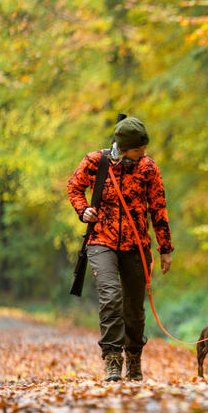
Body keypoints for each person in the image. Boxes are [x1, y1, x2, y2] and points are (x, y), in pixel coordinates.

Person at [67, 116, 173, 382]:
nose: (143, 154)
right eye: (138, 149)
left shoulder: (148, 168)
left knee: (134, 309)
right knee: (111, 297)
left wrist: (165, 248)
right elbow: (74, 187)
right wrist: (83, 210)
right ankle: (112, 358)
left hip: (137, 245)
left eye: (144, 149)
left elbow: (158, 208)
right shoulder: (95, 161)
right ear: (123, 147)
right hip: (101, 240)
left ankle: (134, 357)